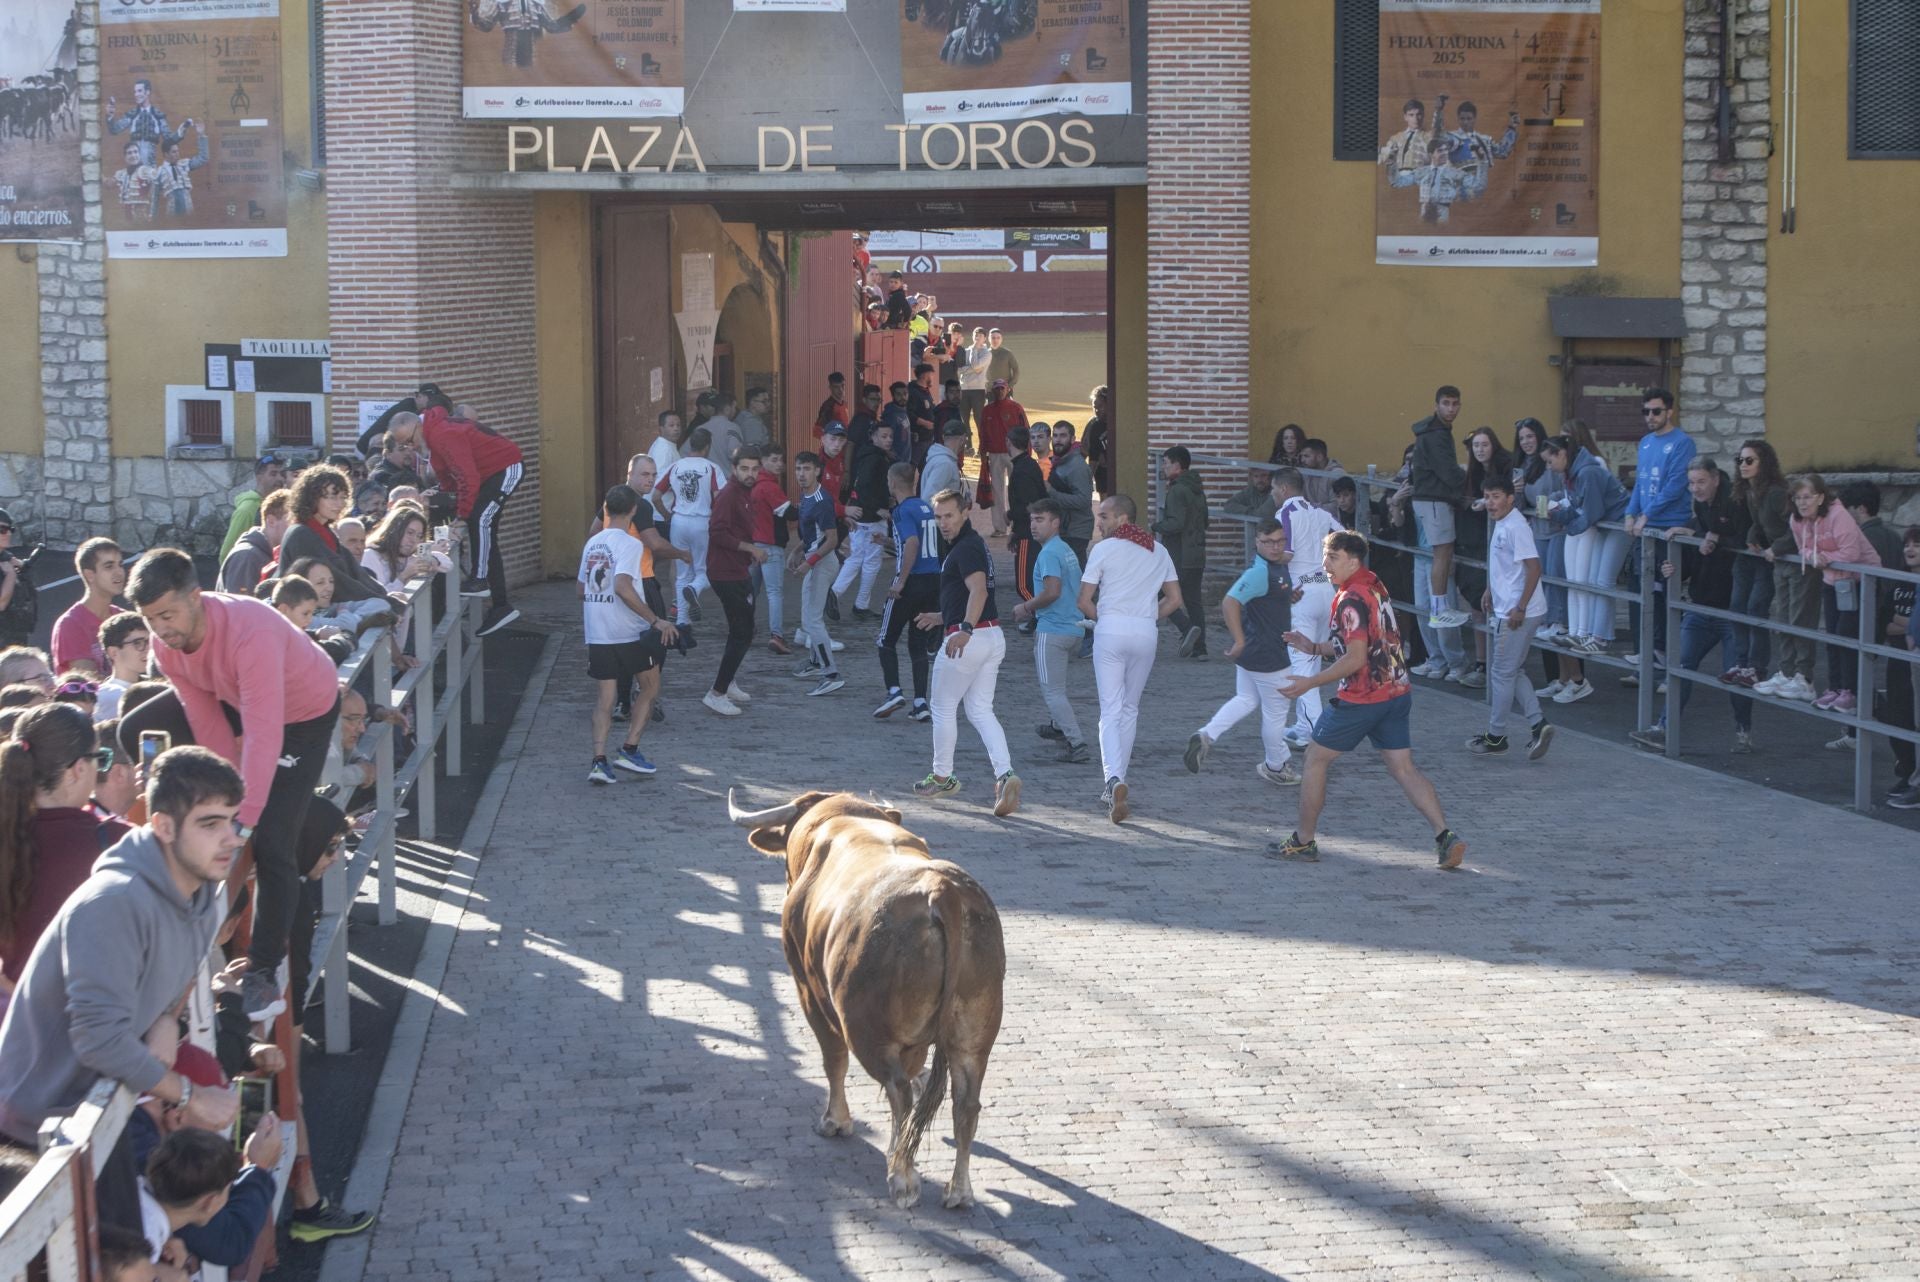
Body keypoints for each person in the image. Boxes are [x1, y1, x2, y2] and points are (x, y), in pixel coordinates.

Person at [0, 747, 242, 1210]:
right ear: (164, 826)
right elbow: (98, 1040)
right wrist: (192, 1096)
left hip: (106, 1107)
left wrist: (168, 1022)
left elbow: (177, 983)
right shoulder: (113, 902)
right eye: (210, 824)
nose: (230, 838)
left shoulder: (199, 888)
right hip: (37, 1131)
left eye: (233, 821)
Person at [122, 549, 340, 1021]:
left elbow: (265, 734)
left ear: (196, 597)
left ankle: (263, 969)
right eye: (150, 619)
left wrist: (242, 820)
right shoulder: (167, 648)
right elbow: (207, 722)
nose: (160, 629)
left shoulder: (250, 633)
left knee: (273, 839)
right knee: (215, 797)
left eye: (168, 614)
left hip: (306, 712)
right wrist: (226, 798)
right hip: (239, 698)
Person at [1271, 530, 1468, 869]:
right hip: (1397, 693)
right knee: (1404, 768)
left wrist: (1310, 682)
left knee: (1316, 760)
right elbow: (1365, 643)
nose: (1325, 564)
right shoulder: (1373, 586)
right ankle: (1444, 836)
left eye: (1332, 557)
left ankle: (1303, 841)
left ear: (1353, 560)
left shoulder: (1349, 599)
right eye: (1325, 555)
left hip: (1364, 698)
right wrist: (1315, 647)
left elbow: (1356, 658)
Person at [0, 703, 126, 1006]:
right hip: (92, 1019)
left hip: (14, 1023)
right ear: (78, 769)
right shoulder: (117, 842)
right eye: (101, 759)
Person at [1629, 459, 1756, 755]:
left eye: (1700, 482)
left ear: (1714, 479)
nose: (1695, 488)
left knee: (1734, 675)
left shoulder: (1733, 506)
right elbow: (1691, 562)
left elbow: (1743, 542)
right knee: (1680, 666)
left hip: (1731, 611)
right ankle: (1662, 727)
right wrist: (1674, 568)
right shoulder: (1698, 514)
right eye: (1691, 483)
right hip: (1700, 607)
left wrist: (1708, 538)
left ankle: (1743, 729)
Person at [911, 490, 1020, 816]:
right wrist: (944, 617)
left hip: (971, 638)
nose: (943, 523)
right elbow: (969, 595)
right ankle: (1005, 775)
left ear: (965, 512)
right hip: (991, 636)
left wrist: (964, 629)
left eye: (950, 516)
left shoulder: (967, 548)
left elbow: (979, 590)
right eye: (939, 517)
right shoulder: (968, 546)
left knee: (943, 707)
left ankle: (942, 776)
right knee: (980, 710)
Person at [1076, 495, 1182, 823]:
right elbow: (1175, 599)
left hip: (1110, 630)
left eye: (1104, 516)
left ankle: (1112, 780)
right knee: (1130, 708)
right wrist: (1149, 617)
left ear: (1123, 519)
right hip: (1145, 632)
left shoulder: (1103, 549)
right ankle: (1119, 777)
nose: (1099, 522)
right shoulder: (1158, 550)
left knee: (1110, 709)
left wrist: (1104, 619)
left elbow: (1083, 600)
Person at [1185, 516, 1300, 785]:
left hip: (1255, 653)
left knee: (1246, 699)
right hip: (1268, 654)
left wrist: (1288, 596)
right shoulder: (1259, 572)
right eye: (1268, 542)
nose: (1275, 546)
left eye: (1280, 541)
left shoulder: (1275, 565)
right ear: (1256, 542)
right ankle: (1276, 765)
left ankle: (1206, 734)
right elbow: (1229, 602)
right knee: (1276, 713)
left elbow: (1266, 596)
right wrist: (1238, 640)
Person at [578, 485, 678, 780]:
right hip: (629, 633)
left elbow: (580, 589)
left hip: (597, 632)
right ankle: (630, 750)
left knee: (605, 700)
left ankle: (599, 761)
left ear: (605, 510)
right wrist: (655, 621)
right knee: (650, 688)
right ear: (634, 511)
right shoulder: (632, 545)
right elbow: (623, 587)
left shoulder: (592, 544)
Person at [1771, 474, 1881, 714]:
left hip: (1862, 582)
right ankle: (1834, 687)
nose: (1802, 502)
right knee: (1832, 636)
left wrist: (1825, 559)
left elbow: (1851, 554)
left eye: (1807, 497)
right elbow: (1803, 548)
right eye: (1797, 497)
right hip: (1833, 582)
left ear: (1820, 497)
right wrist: (1812, 557)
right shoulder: (1797, 520)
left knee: (1846, 635)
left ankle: (1849, 692)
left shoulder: (1838, 516)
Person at [414, 405, 526, 637]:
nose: (409, 448)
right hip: (491, 473)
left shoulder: (443, 434)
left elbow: (468, 477)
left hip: (506, 468)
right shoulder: (434, 439)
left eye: (407, 441)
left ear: (416, 429)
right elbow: (448, 478)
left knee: (480, 521)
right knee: (484, 532)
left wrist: (460, 517)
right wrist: (452, 504)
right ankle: (500, 605)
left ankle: (480, 580)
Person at [1468, 475, 1554, 758]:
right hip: (1512, 607)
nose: (1490, 503)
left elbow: (1534, 568)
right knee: (1513, 670)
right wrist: (1491, 589)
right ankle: (1537, 723)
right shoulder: (1503, 523)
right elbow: (1506, 566)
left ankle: (1496, 735)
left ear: (1510, 499)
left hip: (1518, 612)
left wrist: (1520, 607)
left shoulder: (1515, 527)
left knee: (1501, 673)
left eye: (1495, 497)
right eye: (1487, 497)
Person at [1008, 498, 1090, 763]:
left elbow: (1052, 592)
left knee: (1052, 691)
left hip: (1053, 629)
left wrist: (1026, 607)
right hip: (1074, 627)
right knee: (1058, 687)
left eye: (1040, 520)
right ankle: (1057, 727)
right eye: (1032, 519)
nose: (1033, 525)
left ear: (1055, 523)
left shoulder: (1048, 554)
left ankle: (1076, 743)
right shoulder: (1064, 549)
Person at [1622, 388, 1697, 673]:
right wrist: (1631, 513)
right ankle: (1648, 658)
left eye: (1656, 411)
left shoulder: (1682, 444)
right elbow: (1641, 483)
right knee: (1644, 593)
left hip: (1667, 530)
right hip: (1646, 530)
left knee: (1667, 597)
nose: (1650, 417)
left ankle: (1671, 664)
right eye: (1646, 411)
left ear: (1669, 412)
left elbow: (1676, 484)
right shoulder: (1645, 442)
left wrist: (1647, 515)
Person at [1543, 433, 1630, 672]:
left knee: (1603, 580)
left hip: (1619, 523)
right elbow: (1579, 508)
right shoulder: (1572, 473)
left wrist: (1565, 522)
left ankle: (1600, 638)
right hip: (1606, 524)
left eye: (1550, 462)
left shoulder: (1588, 472)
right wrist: (1562, 515)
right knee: (1592, 580)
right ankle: (1589, 635)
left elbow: (1590, 512)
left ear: (1562, 454)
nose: (1550, 468)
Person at [1409, 389, 1472, 696]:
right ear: (1436, 406)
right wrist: (1469, 489)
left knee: (1438, 555)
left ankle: (1437, 613)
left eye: (1455, 404)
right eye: (1446, 404)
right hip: (1434, 500)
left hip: (1427, 500)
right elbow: (1448, 472)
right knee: (1443, 552)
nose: (1451, 409)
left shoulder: (1432, 431)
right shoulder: (1436, 434)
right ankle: (1440, 608)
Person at [1273, 468, 1341, 748]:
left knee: (1301, 665)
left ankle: (1317, 731)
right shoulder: (1321, 512)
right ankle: (1303, 727)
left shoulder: (1285, 514)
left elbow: (1285, 553)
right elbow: (1348, 539)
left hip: (1300, 592)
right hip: (1327, 589)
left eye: (1274, 490)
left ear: (1285, 489)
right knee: (1311, 661)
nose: (1273, 495)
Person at [874, 464, 940, 722]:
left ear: (892, 482)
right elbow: (918, 544)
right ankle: (921, 702)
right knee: (918, 644)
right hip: (933, 582)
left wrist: (900, 582)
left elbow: (912, 543)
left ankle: (894, 691)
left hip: (911, 582)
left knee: (885, 639)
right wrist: (888, 542)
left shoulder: (901, 510)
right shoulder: (925, 507)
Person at [705, 447, 767, 716]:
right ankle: (716, 693)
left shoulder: (743, 493)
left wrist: (747, 551)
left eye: (754, 469)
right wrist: (750, 549)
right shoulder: (729, 494)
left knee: (742, 630)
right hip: (724, 573)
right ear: (733, 469)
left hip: (737, 570)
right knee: (743, 632)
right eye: (745, 469)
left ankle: (727, 681)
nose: (750, 474)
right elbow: (717, 533)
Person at [278, 464, 386, 606]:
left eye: (342, 497)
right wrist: (383, 601)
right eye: (332, 497)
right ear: (312, 497)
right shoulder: (300, 534)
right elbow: (339, 581)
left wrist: (383, 594)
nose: (339, 504)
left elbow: (357, 572)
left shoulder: (325, 531)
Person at [655, 426, 726, 627]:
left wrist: (667, 515)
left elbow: (655, 496)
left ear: (690, 446)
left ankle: (682, 621)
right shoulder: (711, 468)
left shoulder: (676, 467)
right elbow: (718, 498)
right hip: (702, 522)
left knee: (682, 572)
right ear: (707, 447)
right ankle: (694, 589)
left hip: (678, 521)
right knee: (705, 570)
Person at [787, 452, 845, 696]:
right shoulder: (807, 495)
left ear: (817, 471)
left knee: (812, 619)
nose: (801, 474)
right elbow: (813, 534)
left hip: (822, 563)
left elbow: (832, 540)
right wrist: (797, 551)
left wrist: (808, 562)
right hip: (816, 560)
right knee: (807, 615)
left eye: (807, 469)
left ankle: (830, 673)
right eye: (799, 468)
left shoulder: (821, 500)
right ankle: (814, 662)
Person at [1730, 438, 1787, 686]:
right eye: (1740, 460)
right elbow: (1759, 522)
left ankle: (1756, 667)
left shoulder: (1776, 493)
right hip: (1759, 554)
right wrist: (1752, 535)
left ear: (1764, 463)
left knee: (1756, 608)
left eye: (1749, 460)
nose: (1743, 465)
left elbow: (1796, 528)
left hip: (1778, 558)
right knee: (1737, 606)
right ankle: (1741, 663)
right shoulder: (1750, 491)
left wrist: (1777, 548)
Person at [1154, 447, 1211, 660]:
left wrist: (1157, 526)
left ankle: (1188, 630)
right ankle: (1200, 648)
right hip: (1197, 553)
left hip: (1179, 554)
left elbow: (1175, 524)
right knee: (1193, 600)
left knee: (1160, 592)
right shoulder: (1197, 488)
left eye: (1166, 463)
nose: (1163, 467)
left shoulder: (1178, 490)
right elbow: (1205, 521)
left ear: (1177, 465)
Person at [834, 418, 895, 621]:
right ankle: (840, 598)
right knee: (867, 560)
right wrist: (879, 508)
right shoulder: (875, 459)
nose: (888, 440)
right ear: (873, 437)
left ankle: (850, 601)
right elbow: (864, 487)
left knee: (862, 559)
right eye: (883, 436)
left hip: (865, 515)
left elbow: (863, 486)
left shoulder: (870, 456)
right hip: (869, 517)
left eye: (890, 437)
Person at [51, 538, 127, 677]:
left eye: (120, 565)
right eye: (109, 566)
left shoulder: (122, 617)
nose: (119, 572)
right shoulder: (71, 624)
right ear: (89, 575)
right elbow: (89, 682)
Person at [1885, 528, 1920, 808]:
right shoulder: (1899, 580)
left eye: (1917, 544)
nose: (1910, 549)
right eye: (1907, 544)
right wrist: (1908, 625)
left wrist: (1907, 626)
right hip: (1897, 657)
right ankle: (1907, 773)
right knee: (1898, 715)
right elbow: (1882, 620)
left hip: (1914, 656)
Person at [749, 446, 794, 655]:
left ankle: (745, 629)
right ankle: (777, 635)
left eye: (781, 460)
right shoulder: (770, 487)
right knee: (774, 593)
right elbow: (789, 513)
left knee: (750, 592)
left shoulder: (751, 485)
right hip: (771, 546)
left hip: (753, 545)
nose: (779, 464)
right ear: (763, 461)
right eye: (774, 459)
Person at [1005, 426, 1051, 618]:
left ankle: (1042, 615)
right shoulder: (1028, 465)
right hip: (1026, 532)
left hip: (1027, 534)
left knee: (1024, 585)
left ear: (1009, 442)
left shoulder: (1022, 469)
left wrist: (1011, 516)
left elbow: (1027, 505)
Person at [978, 379, 1028, 537]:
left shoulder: (1016, 407)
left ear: (1007, 390)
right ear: (992, 391)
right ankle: (1000, 527)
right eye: (997, 389)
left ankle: (1017, 523)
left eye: (1002, 388)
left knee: (1017, 489)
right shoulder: (987, 410)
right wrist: (983, 453)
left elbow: (1025, 429)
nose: (999, 391)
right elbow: (983, 433)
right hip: (994, 454)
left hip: (1014, 454)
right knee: (997, 491)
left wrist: (1026, 451)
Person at [218, 454, 289, 561]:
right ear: (259, 477)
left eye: (282, 474)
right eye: (273, 474)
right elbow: (226, 554)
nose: (280, 479)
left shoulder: (279, 505)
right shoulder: (247, 510)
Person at [94, 612, 150, 723]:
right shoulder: (108, 695)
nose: (148, 649)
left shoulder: (154, 685)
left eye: (149, 642)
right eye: (137, 643)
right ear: (113, 652)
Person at [957, 330, 991, 449]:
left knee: (979, 419)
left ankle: (983, 446)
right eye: (975, 335)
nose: (977, 337)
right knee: (964, 418)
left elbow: (975, 366)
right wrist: (973, 369)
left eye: (980, 335)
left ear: (985, 338)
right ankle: (968, 446)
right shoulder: (966, 351)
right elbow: (959, 369)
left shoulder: (987, 353)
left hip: (978, 389)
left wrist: (975, 350)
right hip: (964, 388)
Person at [1297, 439, 1346, 514]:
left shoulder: (1337, 474)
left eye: (1306, 456)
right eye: (1302, 456)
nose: (1302, 460)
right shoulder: (1306, 473)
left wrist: (1310, 508)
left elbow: (1337, 506)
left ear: (1319, 457)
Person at [920, 421, 965, 502]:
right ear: (962, 439)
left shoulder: (940, 459)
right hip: (937, 514)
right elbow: (928, 498)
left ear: (943, 437)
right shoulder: (945, 464)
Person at [1084, 386, 1114, 499]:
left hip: (1119, 470)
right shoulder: (1094, 425)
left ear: (1109, 404)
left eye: (1100, 407)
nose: (1096, 411)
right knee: (1106, 502)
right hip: (1102, 473)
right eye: (1094, 407)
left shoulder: (1119, 421)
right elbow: (1092, 455)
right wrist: (1087, 480)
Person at [812, 372, 852, 441]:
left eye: (842, 385)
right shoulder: (828, 406)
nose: (840, 390)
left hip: (844, 445)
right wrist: (831, 443)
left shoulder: (844, 404)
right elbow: (816, 431)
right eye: (836, 387)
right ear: (830, 388)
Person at [648, 409, 684, 478]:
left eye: (678, 425)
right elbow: (659, 477)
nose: (676, 428)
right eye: (671, 425)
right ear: (661, 429)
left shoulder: (668, 445)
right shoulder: (663, 449)